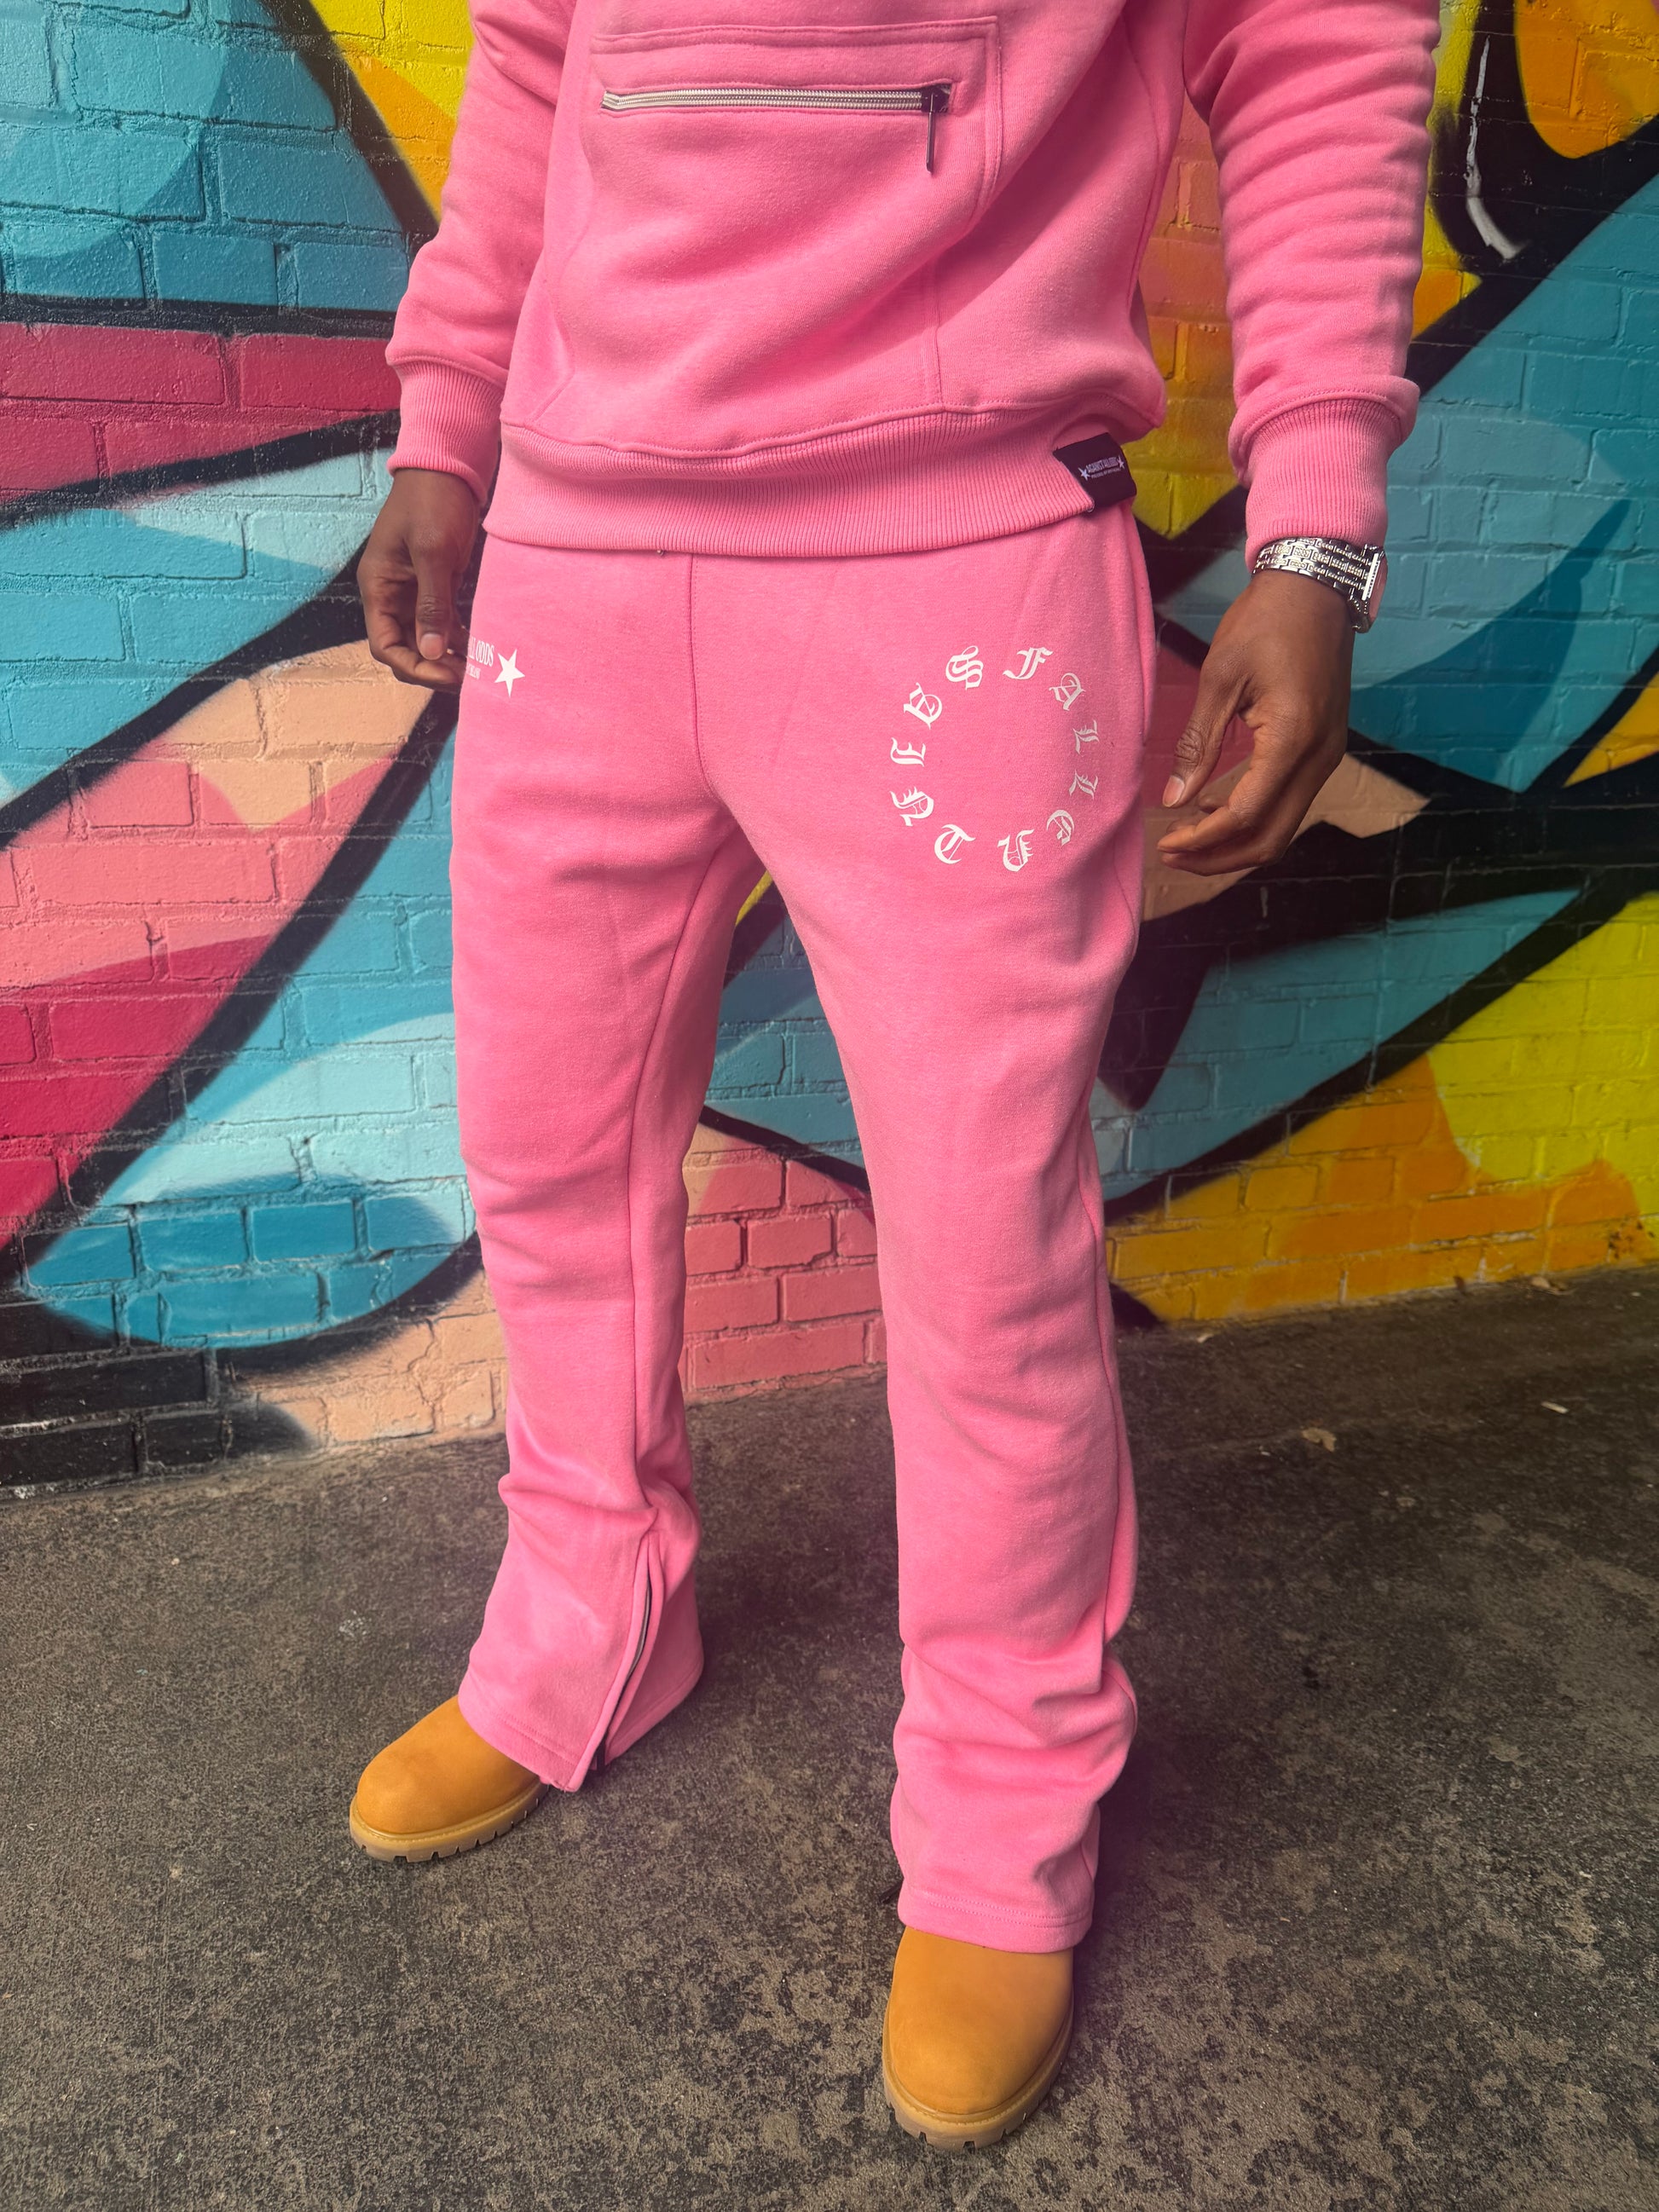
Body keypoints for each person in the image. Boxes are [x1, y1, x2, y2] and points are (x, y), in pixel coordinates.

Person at [351, 0, 1437, 2151]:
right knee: (550, 1155)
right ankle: (586, 1613)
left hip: (952, 561)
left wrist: (1314, 533)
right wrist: (444, 426)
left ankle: (1006, 1794)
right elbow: (538, 58)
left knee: (980, 1240)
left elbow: (1317, 45)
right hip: (574, 550)